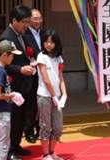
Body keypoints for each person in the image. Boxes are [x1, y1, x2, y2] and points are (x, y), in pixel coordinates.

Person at [0, 5, 36, 160]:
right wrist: (21, 70)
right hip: (13, 85)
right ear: (14, 20)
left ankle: (16, 145)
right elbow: (4, 63)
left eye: (28, 21)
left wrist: (32, 61)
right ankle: (9, 151)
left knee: (21, 117)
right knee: (13, 119)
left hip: (25, 84)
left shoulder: (23, 34)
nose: (26, 25)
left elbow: (31, 51)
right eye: (24, 22)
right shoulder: (6, 38)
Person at [0, 40, 24, 160]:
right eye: (12, 55)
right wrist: (11, 95)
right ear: (5, 55)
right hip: (2, 111)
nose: (13, 58)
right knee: (4, 143)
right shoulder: (0, 71)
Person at [37, 30, 67, 160]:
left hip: (57, 97)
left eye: (51, 42)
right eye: (46, 41)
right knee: (45, 126)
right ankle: (45, 154)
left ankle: (52, 151)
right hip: (44, 96)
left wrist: (64, 95)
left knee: (58, 127)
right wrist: (53, 95)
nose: (48, 44)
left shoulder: (59, 58)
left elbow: (60, 78)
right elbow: (46, 79)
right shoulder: (41, 57)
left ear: (56, 43)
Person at [23, 8, 44, 143]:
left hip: (44, 74)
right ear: (29, 20)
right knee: (30, 104)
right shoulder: (24, 35)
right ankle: (29, 130)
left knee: (42, 103)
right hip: (31, 74)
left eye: (39, 18)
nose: (37, 21)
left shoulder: (45, 33)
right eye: (35, 18)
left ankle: (40, 129)